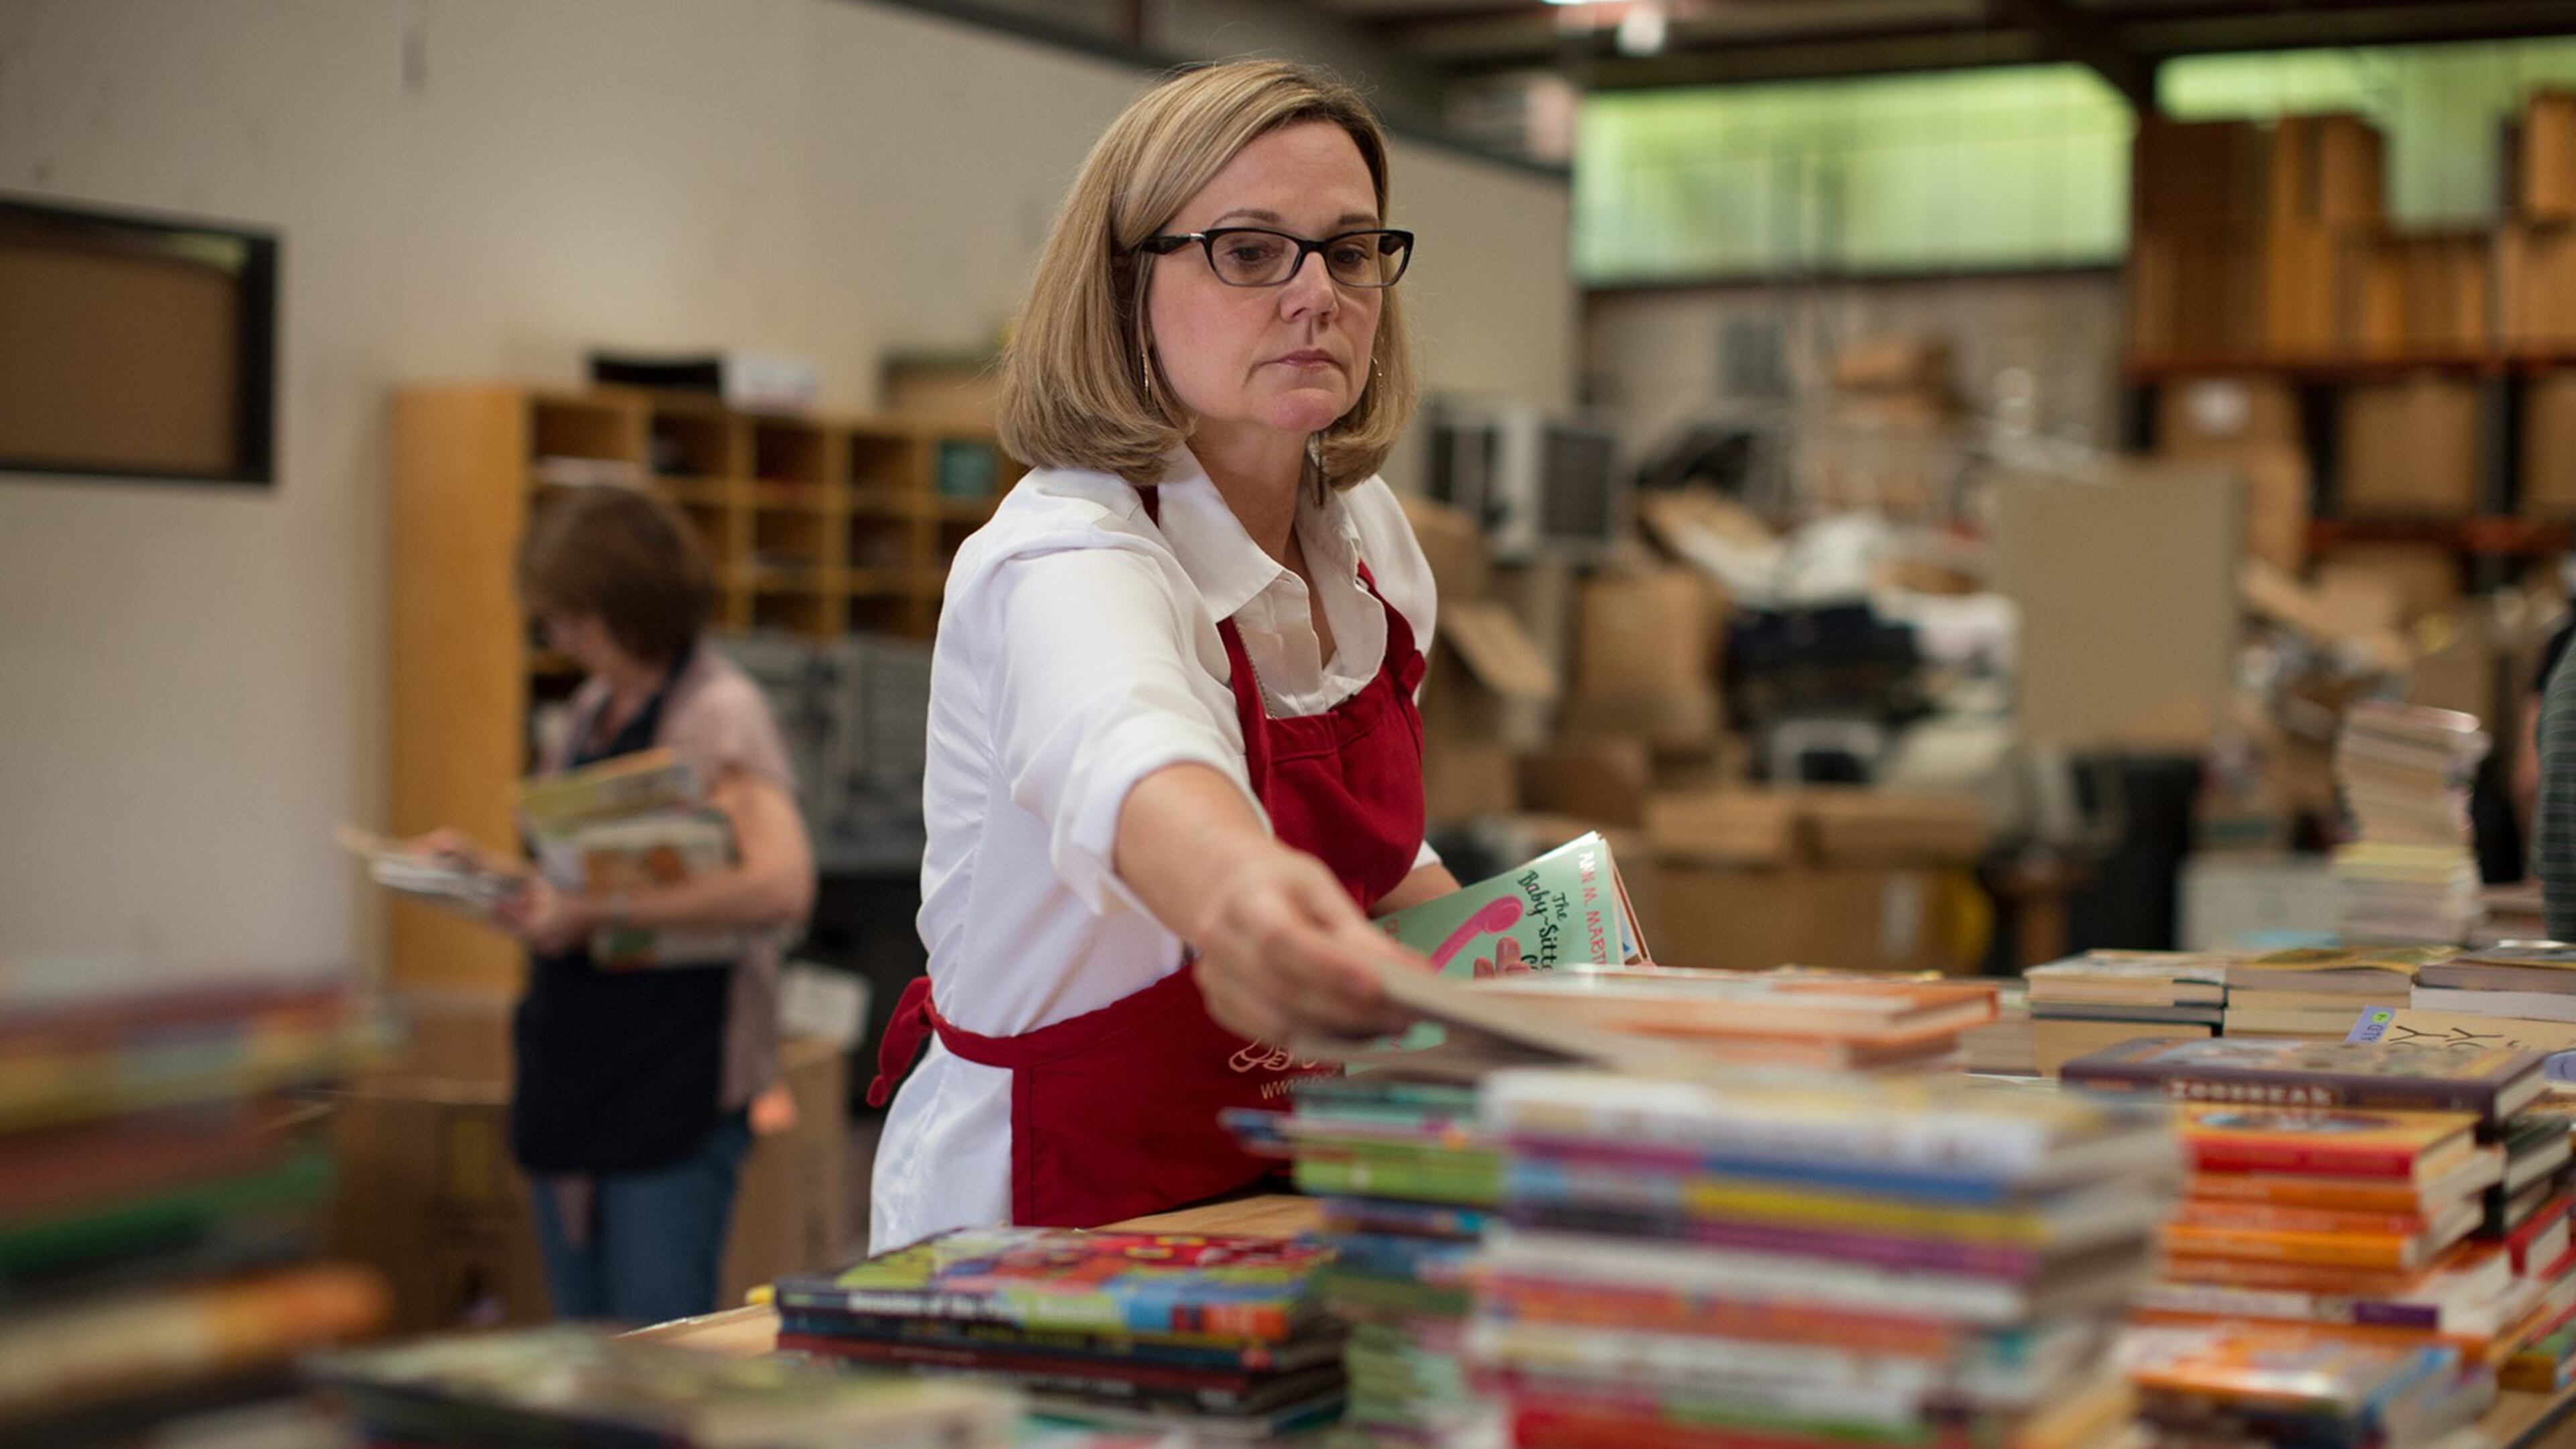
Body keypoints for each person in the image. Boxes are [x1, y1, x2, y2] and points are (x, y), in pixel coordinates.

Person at [867, 60, 1456, 1249]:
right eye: (1249, 253)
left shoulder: (1370, 543)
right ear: (1128, 283)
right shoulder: (1064, 557)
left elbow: (1374, 862)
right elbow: (1135, 760)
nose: (1317, 296)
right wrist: (1247, 901)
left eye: (1349, 251)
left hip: (1278, 1188)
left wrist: (1577, 999)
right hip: (1045, 1219)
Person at [427, 485, 815, 1324]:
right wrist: (488, 877)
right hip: (579, 1069)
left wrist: (597, 913)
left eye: (575, 619)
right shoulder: (590, 712)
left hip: (673, 1073)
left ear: (628, 605)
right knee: (588, 1347)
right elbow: (576, 885)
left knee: (658, 1342)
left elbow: (782, 883)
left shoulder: (720, 711)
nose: (561, 638)